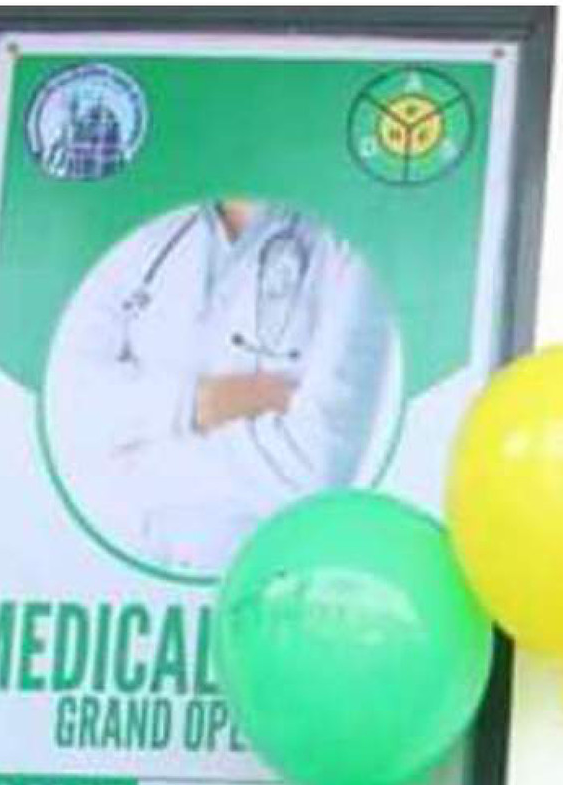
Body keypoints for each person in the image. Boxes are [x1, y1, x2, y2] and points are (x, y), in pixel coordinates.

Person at [44, 198, 398, 575]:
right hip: (114, 575)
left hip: (269, 580)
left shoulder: (348, 248)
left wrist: (130, 465)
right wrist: (200, 402)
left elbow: (315, 464)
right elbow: (69, 405)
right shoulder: (141, 231)